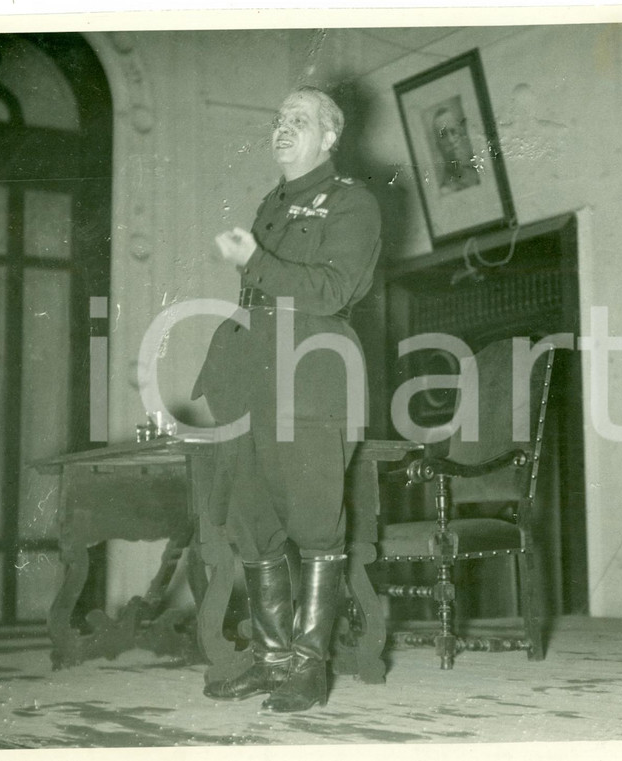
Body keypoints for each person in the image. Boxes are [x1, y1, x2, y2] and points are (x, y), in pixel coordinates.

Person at [191, 86, 381, 712]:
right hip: (252, 374)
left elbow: (332, 289)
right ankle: (273, 658)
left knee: (315, 521)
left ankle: (310, 664)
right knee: (254, 523)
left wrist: (255, 262)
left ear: (330, 137)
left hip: (310, 372)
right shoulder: (272, 202)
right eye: (278, 118)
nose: (282, 127)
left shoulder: (352, 202)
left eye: (298, 120)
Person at [432, 103, 480, 194]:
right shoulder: (444, 191)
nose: (450, 140)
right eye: (444, 135)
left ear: (460, 135)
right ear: (438, 146)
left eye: (453, 132)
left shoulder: (476, 174)